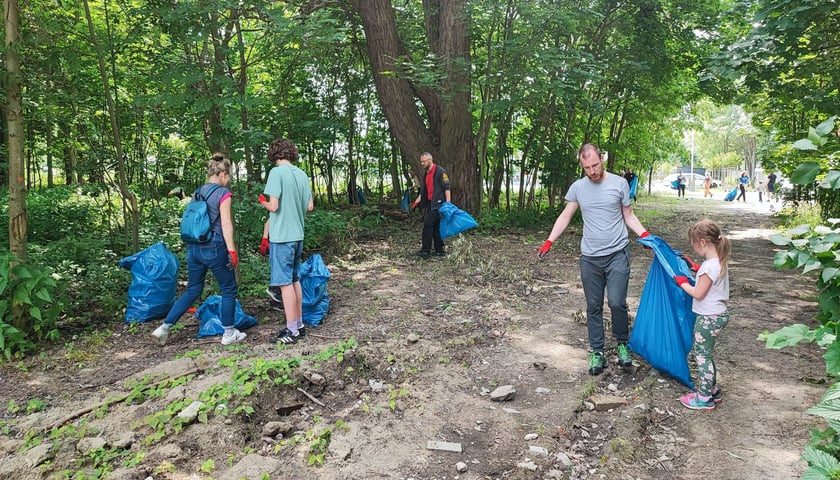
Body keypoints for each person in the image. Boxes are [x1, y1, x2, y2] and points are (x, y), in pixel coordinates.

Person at [536, 143, 650, 376]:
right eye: (587, 167)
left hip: (617, 252)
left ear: (602, 159)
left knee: (617, 303)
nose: (592, 171)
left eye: (595, 165)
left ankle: (622, 344)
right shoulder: (578, 188)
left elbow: (628, 215)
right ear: (582, 164)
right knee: (593, 306)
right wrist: (549, 241)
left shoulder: (619, 183)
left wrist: (646, 236)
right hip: (590, 257)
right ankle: (597, 351)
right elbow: (566, 215)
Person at [152, 153, 246, 346]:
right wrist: (232, 251)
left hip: (194, 247)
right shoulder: (223, 194)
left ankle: (164, 328)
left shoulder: (198, 192)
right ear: (223, 174)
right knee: (228, 289)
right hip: (215, 247)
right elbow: (226, 224)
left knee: (193, 289)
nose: (228, 181)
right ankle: (229, 333)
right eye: (228, 177)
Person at [259, 138, 314, 344]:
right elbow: (309, 206)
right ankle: (299, 324)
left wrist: (263, 201)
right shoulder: (301, 174)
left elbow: (273, 206)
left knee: (284, 284)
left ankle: (291, 331)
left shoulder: (276, 173)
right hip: (298, 234)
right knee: (294, 280)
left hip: (282, 236)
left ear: (274, 154)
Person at [674, 219, 731, 410]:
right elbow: (708, 277)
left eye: (694, 245)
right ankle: (712, 389)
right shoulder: (718, 262)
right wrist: (694, 266)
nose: (694, 248)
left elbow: (698, 293)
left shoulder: (709, 267)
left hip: (708, 318)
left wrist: (682, 283)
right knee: (707, 353)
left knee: (702, 357)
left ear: (703, 243)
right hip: (718, 315)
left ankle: (704, 397)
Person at [411, 152, 451, 258]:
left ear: (430, 160)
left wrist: (448, 203)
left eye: (423, 161)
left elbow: (447, 187)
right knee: (436, 226)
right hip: (430, 203)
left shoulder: (440, 172)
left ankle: (425, 250)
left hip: (439, 204)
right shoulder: (426, 174)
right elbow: (423, 191)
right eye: (421, 161)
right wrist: (416, 202)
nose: (422, 163)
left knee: (428, 223)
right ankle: (439, 250)